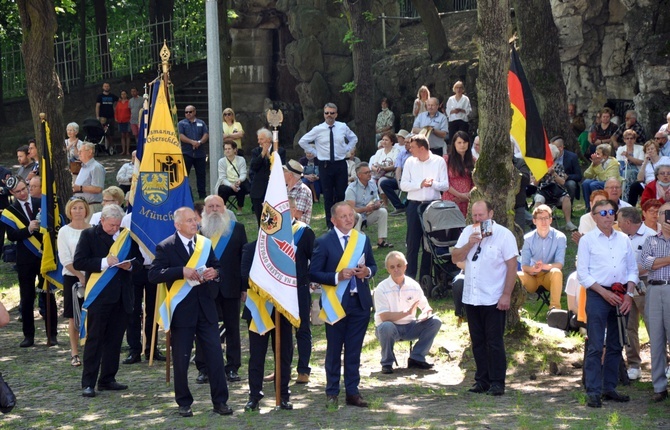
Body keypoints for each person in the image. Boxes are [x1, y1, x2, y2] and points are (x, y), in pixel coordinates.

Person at [148, 207, 233, 417]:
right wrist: (181, 271)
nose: (194, 224)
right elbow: (154, 275)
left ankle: (220, 401)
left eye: (195, 220)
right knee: (182, 359)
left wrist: (216, 273)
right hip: (182, 311)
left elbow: (217, 267)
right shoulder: (166, 246)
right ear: (177, 225)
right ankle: (184, 402)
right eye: (189, 221)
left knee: (215, 356)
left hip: (206, 309)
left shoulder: (204, 243)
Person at [309, 202, 377, 408]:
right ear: (333, 220)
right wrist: (337, 276)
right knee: (334, 349)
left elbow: (373, 265)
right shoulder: (324, 241)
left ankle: (353, 392)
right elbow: (313, 273)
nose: (349, 219)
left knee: (354, 350)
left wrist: (368, 272)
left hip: (360, 303)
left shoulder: (362, 239)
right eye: (344, 216)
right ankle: (332, 392)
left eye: (351, 215)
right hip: (335, 303)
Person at [73, 204, 141, 398]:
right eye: (111, 225)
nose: (114, 229)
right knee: (95, 341)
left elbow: (139, 263)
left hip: (122, 297)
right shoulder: (89, 235)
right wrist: (104, 262)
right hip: (99, 297)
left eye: (117, 225)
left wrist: (130, 266)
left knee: (114, 341)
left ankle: (107, 379)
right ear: (102, 220)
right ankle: (88, 383)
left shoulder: (126, 236)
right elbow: (79, 262)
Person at [452, 200, 518, 396]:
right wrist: (469, 244)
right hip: (472, 297)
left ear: (491, 214)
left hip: (494, 297)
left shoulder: (504, 235)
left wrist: (506, 294)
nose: (478, 219)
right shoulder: (467, 232)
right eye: (475, 216)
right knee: (477, 341)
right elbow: (455, 257)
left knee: (494, 342)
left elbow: (512, 267)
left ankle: (498, 382)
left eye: (481, 215)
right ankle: (482, 380)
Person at [577, 199, 638, 408]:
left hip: (621, 295)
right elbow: (583, 274)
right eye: (602, 213)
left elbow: (632, 270)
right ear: (594, 217)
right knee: (595, 344)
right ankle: (593, 391)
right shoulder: (587, 241)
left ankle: (609, 388)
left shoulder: (623, 239)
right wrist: (604, 293)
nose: (608, 216)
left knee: (616, 344)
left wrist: (629, 294)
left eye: (611, 212)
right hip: (598, 294)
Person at [194, 195, 247, 384]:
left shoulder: (237, 229)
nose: (214, 209)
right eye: (210, 206)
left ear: (224, 208)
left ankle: (232, 367)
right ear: (204, 210)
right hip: (204, 288)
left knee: (233, 329)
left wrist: (244, 287)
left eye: (218, 206)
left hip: (230, 288)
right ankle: (204, 368)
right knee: (204, 330)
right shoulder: (197, 232)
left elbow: (243, 261)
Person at [1, 176, 57, 347]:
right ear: (12, 193)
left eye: (24, 189)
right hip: (25, 259)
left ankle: (52, 334)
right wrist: (28, 230)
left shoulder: (41, 202)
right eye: (18, 192)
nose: (23, 193)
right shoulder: (10, 211)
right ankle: (29, 335)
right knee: (27, 297)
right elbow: (11, 236)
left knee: (48, 294)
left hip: (44, 255)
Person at [373, 251, 441, 374]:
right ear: (387, 269)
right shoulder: (381, 288)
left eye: (399, 265)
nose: (396, 269)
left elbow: (426, 307)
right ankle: (387, 363)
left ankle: (417, 357)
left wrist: (425, 313)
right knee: (386, 326)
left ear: (405, 266)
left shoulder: (413, 285)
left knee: (435, 321)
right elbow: (384, 316)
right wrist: (406, 312)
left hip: (410, 326)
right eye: (392, 267)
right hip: (389, 328)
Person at [298, 103, 358, 230]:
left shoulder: (342, 127)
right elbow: (302, 141)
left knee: (341, 193)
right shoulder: (318, 129)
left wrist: (346, 149)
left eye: (332, 113)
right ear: (324, 114)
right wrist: (316, 153)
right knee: (328, 195)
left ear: (336, 114)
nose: (329, 115)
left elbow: (354, 138)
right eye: (327, 113)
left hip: (340, 163)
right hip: (325, 164)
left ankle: (343, 221)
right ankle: (330, 224)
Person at [119, 207, 166, 366]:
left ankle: (151, 347)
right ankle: (134, 349)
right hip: (135, 269)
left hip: (154, 268)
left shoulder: (161, 215)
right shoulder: (129, 219)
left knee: (153, 310)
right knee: (132, 310)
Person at [400, 134, 449, 280]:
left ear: (422, 148)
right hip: (414, 206)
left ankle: (425, 278)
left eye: (413, 146)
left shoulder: (438, 161)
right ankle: (409, 277)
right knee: (412, 243)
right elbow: (403, 185)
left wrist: (432, 183)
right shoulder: (410, 162)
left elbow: (445, 185)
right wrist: (420, 184)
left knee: (429, 245)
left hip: (432, 206)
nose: (410, 149)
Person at [617, 207, 657, 381]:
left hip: (645, 284)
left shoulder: (650, 235)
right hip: (624, 286)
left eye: (618, 220)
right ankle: (634, 364)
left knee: (653, 324)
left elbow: (651, 263)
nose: (616, 223)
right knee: (628, 325)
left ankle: (662, 363)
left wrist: (631, 274)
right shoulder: (619, 237)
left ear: (627, 222)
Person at [640, 202, 670, 402]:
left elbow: (656, 262)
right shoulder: (650, 240)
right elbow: (647, 263)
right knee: (656, 340)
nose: (666, 218)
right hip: (653, 289)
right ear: (657, 217)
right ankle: (659, 387)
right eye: (662, 214)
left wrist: (662, 260)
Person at [57, 198, 90, 366]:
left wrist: (88, 276)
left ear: (86, 211)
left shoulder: (92, 230)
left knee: (93, 314)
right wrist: (80, 276)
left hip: (93, 276)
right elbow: (65, 258)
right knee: (73, 316)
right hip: (72, 277)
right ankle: (75, 352)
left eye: (81, 208)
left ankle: (91, 350)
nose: (78, 211)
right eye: (74, 208)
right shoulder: (64, 231)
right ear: (69, 211)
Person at [518, 205, 567, 310]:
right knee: (518, 276)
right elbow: (524, 266)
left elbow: (559, 264)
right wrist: (533, 269)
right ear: (534, 221)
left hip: (549, 277)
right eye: (540, 218)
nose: (544, 221)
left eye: (546, 218)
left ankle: (555, 309)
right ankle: (515, 309)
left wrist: (544, 266)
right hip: (532, 276)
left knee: (556, 272)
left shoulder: (560, 237)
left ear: (551, 220)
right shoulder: (527, 239)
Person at [288, 197, 315, 384]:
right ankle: (282, 368)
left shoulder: (304, 232)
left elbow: (314, 260)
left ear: (294, 210)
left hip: (299, 287)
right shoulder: (269, 231)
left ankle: (303, 369)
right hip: (277, 289)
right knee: (280, 331)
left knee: (302, 329)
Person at [345, 162, 393, 248]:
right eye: (366, 173)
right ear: (359, 175)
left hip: (368, 214)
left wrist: (377, 204)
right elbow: (350, 210)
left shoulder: (372, 184)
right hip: (355, 217)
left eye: (370, 172)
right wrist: (365, 209)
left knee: (383, 211)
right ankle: (356, 243)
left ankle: (381, 241)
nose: (369, 174)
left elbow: (376, 199)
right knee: (358, 215)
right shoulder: (351, 188)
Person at [532, 144, 578, 231]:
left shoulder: (559, 166)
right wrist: (541, 172)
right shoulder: (538, 166)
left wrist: (553, 174)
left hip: (556, 191)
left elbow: (562, 182)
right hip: (542, 191)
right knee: (539, 199)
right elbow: (534, 184)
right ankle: (535, 223)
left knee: (566, 197)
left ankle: (568, 223)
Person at [250, 128, 286, 225]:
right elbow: (253, 167)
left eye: (261, 139)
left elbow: (279, 167)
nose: (259, 142)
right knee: (260, 220)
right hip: (258, 190)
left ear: (269, 139)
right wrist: (262, 154)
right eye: (258, 139)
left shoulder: (280, 151)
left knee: (273, 220)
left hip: (273, 189)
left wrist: (269, 156)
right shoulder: (256, 152)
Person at [178, 105, 209, 200]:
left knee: (201, 174)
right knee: (185, 174)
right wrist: (192, 142)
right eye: (186, 112)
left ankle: (202, 195)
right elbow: (180, 135)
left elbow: (206, 134)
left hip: (200, 153)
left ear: (194, 112)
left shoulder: (201, 123)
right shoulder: (181, 123)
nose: (188, 114)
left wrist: (199, 142)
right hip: (187, 152)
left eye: (190, 112)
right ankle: (185, 194)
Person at [379, 130, 413, 216]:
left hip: (414, 179)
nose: (405, 144)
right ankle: (399, 206)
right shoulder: (402, 153)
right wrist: (399, 181)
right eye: (404, 142)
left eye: (408, 142)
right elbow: (398, 168)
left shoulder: (416, 154)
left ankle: (408, 205)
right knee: (384, 183)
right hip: (402, 178)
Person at [442, 131, 474, 217]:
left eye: (464, 142)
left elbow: (475, 182)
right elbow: (444, 181)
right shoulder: (446, 159)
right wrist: (459, 195)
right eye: (459, 142)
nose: (462, 145)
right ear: (454, 144)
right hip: (451, 199)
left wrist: (468, 195)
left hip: (468, 200)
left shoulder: (473, 160)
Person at [629, 140, 670, 206]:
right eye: (648, 149)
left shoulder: (665, 159)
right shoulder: (646, 164)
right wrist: (645, 162)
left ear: (656, 150)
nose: (650, 151)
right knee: (635, 186)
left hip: (664, 183)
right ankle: (630, 207)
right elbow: (640, 179)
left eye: (652, 148)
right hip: (649, 186)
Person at [581, 143, 620, 211]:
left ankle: (598, 206)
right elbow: (586, 175)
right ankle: (589, 207)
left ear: (605, 156)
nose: (596, 155)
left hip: (610, 184)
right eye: (596, 153)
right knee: (586, 183)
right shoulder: (596, 160)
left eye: (598, 154)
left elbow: (607, 180)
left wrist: (598, 166)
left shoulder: (613, 163)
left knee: (594, 184)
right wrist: (593, 165)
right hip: (599, 181)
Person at [215, 142, 248, 214]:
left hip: (238, 181)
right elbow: (222, 178)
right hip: (226, 183)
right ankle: (223, 208)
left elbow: (243, 173)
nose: (227, 151)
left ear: (235, 150)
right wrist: (231, 185)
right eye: (225, 149)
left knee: (242, 187)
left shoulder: (241, 159)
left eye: (229, 149)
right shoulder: (221, 161)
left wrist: (239, 180)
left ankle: (240, 208)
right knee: (223, 189)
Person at [72, 142, 105, 215]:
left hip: (91, 207)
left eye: (81, 151)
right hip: (82, 206)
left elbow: (98, 188)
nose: (78, 153)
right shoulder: (83, 167)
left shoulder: (96, 167)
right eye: (78, 151)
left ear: (90, 152)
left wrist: (80, 188)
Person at [369, 132, 400, 207]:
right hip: (377, 173)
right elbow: (373, 165)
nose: (384, 142)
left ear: (392, 141)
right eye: (383, 140)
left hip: (390, 174)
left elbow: (395, 165)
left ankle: (385, 204)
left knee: (381, 181)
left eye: (386, 140)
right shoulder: (379, 152)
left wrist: (383, 168)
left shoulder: (396, 151)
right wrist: (376, 169)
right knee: (370, 181)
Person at [616, 129, 644, 201]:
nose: (629, 140)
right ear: (624, 140)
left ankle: (626, 198)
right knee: (623, 174)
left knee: (628, 174)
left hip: (637, 170)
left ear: (635, 139)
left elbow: (640, 162)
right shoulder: (620, 149)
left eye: (631, 138)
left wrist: (628, 156)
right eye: (627, 138)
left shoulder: (640, 148)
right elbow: (619, 163)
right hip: (623, 169)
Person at [550, 136, 582, 201]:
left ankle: (569, 204)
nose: (551, 150)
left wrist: (568, 176)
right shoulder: (548, 156)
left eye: (553, 148)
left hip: (565, 180)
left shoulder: (572, 157)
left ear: (561, 148)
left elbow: (578, 176)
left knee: (571, 184)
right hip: (551, 179)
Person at [284, 159, 313, 224]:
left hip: (298, 230)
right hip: (286, 228)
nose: (282, 174)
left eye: (284, 171)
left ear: (290, 175)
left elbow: (297, 214)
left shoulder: (303, 190)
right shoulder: (285, 189)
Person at [95, 82, 119, 152]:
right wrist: (97, 116)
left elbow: (119, 101)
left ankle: (111, 147)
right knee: (105, 132)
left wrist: (115, 108)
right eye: (105, 86)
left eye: (107, 86)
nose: (106, 87)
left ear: (109, 87)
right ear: (103, 87)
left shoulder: (112, 96)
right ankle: (105, 147)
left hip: (111, 117)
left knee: (111, 133)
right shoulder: (100, 96)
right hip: (103, 117)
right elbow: (97, 106)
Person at [115, 90, 132, 155]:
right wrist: (116, 118)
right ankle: (123, 150)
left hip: (127, 120)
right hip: (120, 120)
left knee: (127, 135)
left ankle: (127, 150)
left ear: (126, 95)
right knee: (122, 135)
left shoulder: (129, 102)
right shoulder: (119, 103)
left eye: (124, 94)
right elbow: (116, 111)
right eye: (122, 94)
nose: (123, 95)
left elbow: (131, 110)